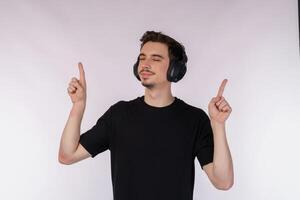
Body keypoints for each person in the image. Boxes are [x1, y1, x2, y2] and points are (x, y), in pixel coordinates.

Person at [58, 31, 234, 200]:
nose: (145, 64)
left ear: (175, 69)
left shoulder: (194, 119)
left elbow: (223, 181)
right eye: (142, 58)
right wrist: (78, 106)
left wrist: (218, 125)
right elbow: (67, 155)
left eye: (155, 59)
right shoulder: (118, 116)